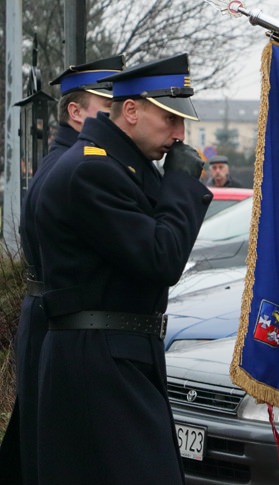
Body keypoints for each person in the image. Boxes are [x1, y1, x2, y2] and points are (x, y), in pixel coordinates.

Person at [33, 53, 211, 485]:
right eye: (170, 119)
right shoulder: (93, 171)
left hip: (116, 351)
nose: (180, 134)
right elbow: (161, 257)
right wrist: (183, 185)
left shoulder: (118, 167)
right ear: (130, 110)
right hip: (99, 358)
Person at [0, 54, 124, 485]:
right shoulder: (81, 165)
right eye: (107, 109)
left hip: (47, 313)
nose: (119, 120)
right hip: (56, 318)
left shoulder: (70, 157)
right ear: (76, 112)